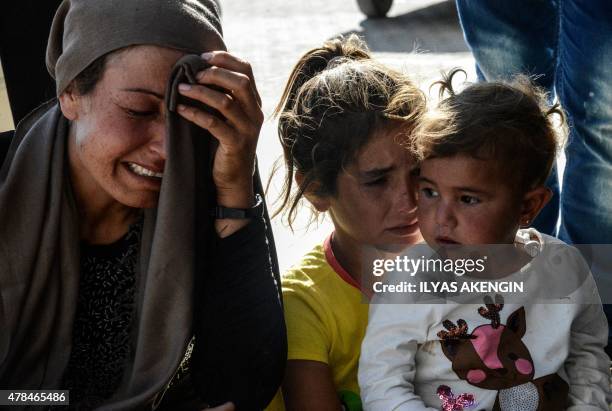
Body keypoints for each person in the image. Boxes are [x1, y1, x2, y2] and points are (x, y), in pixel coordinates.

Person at [0, 1, 286, 410]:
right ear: (70, 93)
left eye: (186, 114)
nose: (167, 148)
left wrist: (236, 192)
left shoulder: (207, 184)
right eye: (138, 110)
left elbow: (244, 385)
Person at [358, 71, 610, 410]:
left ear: (528, 206)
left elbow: (588, 361)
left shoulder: (564, 269)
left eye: (467, 199)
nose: (441, 217)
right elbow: (383, 384)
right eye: (430, 191)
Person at [265, 35, 426, 411]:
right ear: (317, 190)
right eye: (377, 180)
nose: (410, 199)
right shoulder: (303, 306)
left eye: (420, 173)